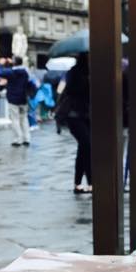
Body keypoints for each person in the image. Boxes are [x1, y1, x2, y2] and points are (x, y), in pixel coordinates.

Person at [56, 53, 91, 193]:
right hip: (74, 115)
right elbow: (72, 90)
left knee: (84, 148)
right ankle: (89, 182)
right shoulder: (75, 73)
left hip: (87, 115)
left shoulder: (91, 72)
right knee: (87, 145)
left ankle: (78, 183)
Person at [0, 56, 30, 146]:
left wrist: (1, 64)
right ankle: (27, 138)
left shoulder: (12, 72)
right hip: (24, 98)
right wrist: (12, 63)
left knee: (15, 119)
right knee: (24, 119)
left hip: (13, 98)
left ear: (14, 62)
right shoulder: (25, 72)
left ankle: (18, 139)